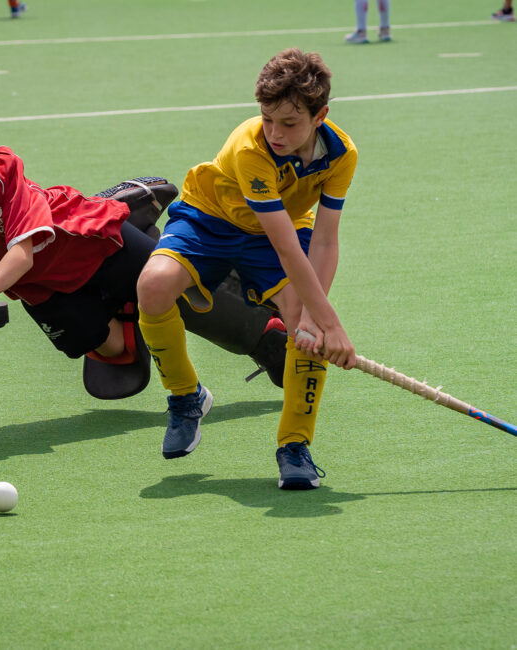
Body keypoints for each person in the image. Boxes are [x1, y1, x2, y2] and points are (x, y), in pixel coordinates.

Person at [0, 98, 286, 396]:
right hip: (40, 288)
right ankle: (124, 299)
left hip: (89, 243)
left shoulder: (2, 174)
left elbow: (21, 254)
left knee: (178, 294)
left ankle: (265, 336)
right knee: (117, 353)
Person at [136, 48, 357, 490]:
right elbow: (288, 250)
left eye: (289, 123)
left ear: (320, 116)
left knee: (305, 322)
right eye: (267, 118)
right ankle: (185, 396)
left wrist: (317, 321)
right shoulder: (251, 148)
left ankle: (294, 446)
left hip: (281, 226)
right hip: (210, 217)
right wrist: (332, 325)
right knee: (153, 286)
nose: (275, 133)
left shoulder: (341, 155)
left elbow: (325, 240)